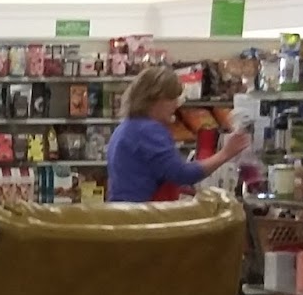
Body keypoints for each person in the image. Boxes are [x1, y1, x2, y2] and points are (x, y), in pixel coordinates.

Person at [105, 65, 251, 203]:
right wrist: (225, 153)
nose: (176, 105)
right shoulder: (149, 131)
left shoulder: (125, 128)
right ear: (156, 98)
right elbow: (182, 174)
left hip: (123, 212)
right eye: (172, 99)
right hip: (143, 215)